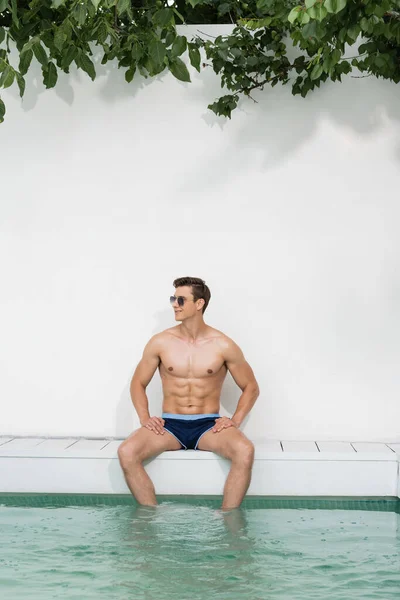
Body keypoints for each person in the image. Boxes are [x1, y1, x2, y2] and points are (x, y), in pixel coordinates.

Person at [118, 276, 260, 510]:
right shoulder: (161, 342)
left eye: (181, 300)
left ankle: (228, 522)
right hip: (170, 425)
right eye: (173, 299)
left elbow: (251, 386)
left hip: (208, 425)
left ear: (199, 304)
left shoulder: (223, 344)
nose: (174, 304)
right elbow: (137, 383)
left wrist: (234, 420)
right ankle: (150, 518)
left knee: (245, 450)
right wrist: (145, 419)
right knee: (127, 451)